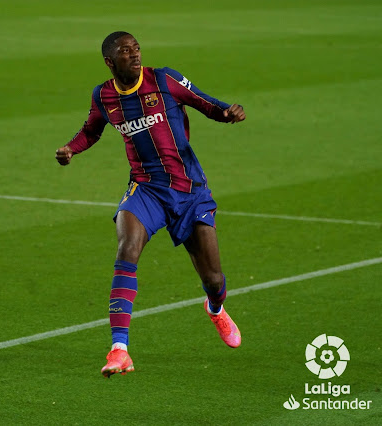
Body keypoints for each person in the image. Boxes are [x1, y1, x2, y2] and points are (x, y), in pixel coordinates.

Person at [55, 31, 246, 378]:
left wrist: (228, 113)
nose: (135, 54)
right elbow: (91, 130)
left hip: (190, 191)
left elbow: (206, 103)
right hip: (146, 188)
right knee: (127, 247)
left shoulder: (164, 79)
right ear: (110, 62)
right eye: (126, 52)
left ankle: (215, 308)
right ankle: (119, 349)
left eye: (137, 48)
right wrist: (71, 149)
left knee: (214, 278)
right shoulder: (104, 95)